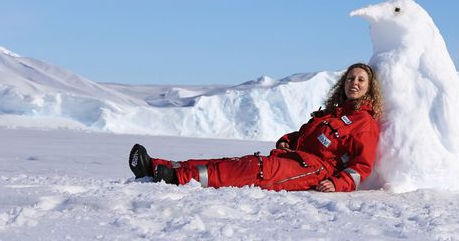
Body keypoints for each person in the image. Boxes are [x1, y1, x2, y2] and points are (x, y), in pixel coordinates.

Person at [128, 63, 382, 192]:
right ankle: (160, 166)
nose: (354, 83)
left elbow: (361, 166)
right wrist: (288, 140)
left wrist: (338, 184)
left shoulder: (364, 123)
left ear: (369, 87)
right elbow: (304, 136)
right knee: (239, 162)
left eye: (361, 79)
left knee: (251, 170)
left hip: (314, 170)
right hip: (294, 158)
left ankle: (176, 178)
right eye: (350, 78)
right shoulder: (331, 114)